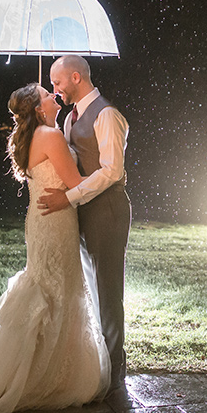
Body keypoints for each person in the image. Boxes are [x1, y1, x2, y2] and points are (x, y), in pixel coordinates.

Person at [0, 83, 110, 413]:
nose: (54, 96)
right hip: (55, 219)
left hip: (42, 218)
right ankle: (48, 377)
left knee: (45, 284)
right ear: (39, 108)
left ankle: (15, 372)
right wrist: (103, 169)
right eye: (47, 94)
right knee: (58, 288)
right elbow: (73, 182)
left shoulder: (42, 134)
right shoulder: (50, 136)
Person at [37, 55, 131, 393]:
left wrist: (70, 197)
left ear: (75, 77)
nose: (54, 89)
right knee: (90, 287)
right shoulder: (69, 118)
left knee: (108, 289)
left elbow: (111, 171)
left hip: (106, 209)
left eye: (57, 82)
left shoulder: (107, 115)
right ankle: (99, 363)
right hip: (81, 211)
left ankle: (114, 372)